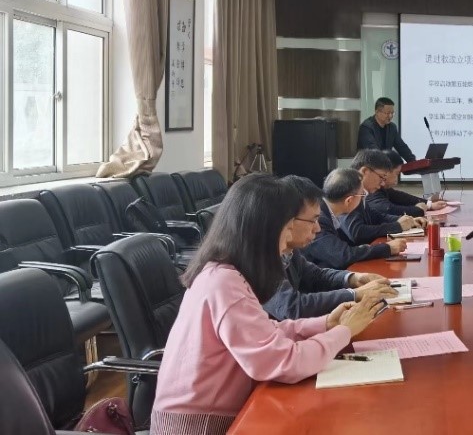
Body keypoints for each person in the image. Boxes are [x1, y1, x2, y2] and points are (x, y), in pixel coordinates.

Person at [150, 174, 385, 434]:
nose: (288, 240)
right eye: (287, 228)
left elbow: (265, 331)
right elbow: (284, 362)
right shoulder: (223, 283)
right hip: (200, 426)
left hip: (216, 415)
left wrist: (326, 323)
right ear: (264, 231)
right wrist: (344, 331)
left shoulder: (225, 271)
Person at [263, 176, 400, 320]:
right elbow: (293, 308)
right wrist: (355, 294)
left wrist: (353, 278)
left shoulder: (289, 249)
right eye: (312, 220)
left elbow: (315, 275)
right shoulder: (261, 258)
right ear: (286, 220)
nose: (317, 228)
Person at [304, 168, 406, 270]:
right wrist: (388, 248)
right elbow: (342, 256)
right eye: (362, 195)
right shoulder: (317, 219)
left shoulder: (328, 212)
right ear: (349, 201)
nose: (363, 199)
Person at [346, 150, 425, 244]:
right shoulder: (347, 192)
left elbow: (378, 217)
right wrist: (397, 226)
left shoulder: (362, 194)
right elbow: (357, 232)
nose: (383, 183)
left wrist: (407, 221)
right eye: (381, 177)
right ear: (365, 171)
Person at [376, 149, 448, 217]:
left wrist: (430, 204)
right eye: (397, 173)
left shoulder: (383, 188)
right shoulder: (373, 188)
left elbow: (401, 197)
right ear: (385, 172)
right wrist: (418, 210)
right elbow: (389, 209)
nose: (397, 178)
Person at [357, 97, 415, 162]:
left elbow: (401, 147)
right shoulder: (366, 127)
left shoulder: (392, 127)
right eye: (387, 113)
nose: (390, 116)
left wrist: (413, 162)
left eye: (392, 113)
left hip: (385, 165)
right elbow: (373, 152)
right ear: (377, 112)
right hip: (368, 165)